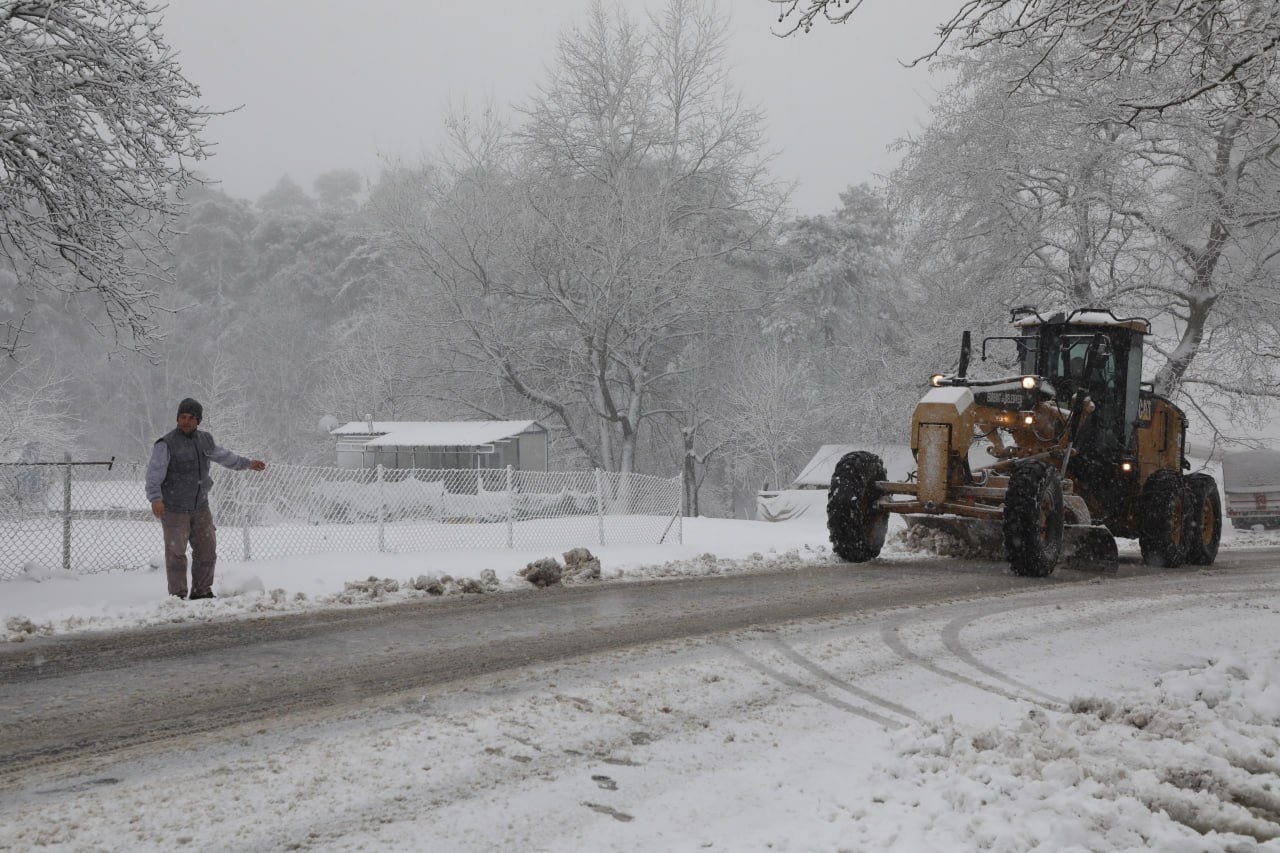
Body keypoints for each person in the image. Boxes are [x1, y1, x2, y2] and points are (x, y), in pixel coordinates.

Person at [145, 398, 266, 600]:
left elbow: (224, 456)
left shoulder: (204, 440)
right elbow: (154, 474)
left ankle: (202, 592)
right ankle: (177, 596)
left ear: (198, 421)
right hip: (174, 509)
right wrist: (155, 499)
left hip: (200, 506)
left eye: (191, 418)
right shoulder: (166, 444)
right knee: (176, 555)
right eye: (183, 417)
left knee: (207, 551)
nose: (186, 421)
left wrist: (247, 463)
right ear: (177, 419)